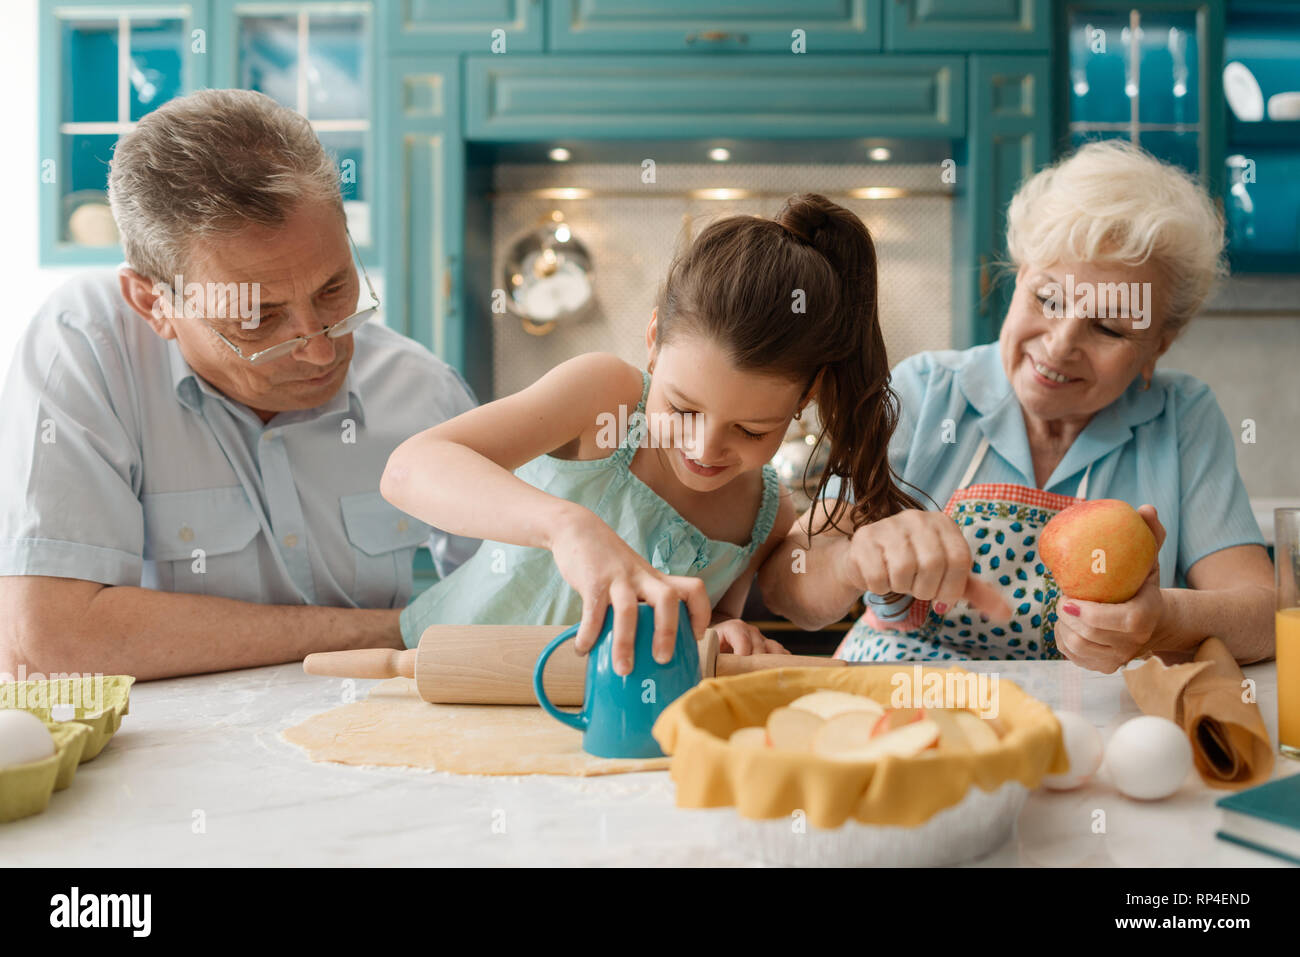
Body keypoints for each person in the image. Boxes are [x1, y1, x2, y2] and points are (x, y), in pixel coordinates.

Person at [0, 90, 477, 681]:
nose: (322, 348)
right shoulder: (88, 344)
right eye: (256, 318)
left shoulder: (422, 390)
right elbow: (49, 643)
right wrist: (398, 627)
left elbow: (519, 595)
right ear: (154, 303)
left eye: (334, 289)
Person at [758, 140, 1274, 672]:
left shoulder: (1181, 418)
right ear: (1020, 276)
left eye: (1109, 326)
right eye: (1048, 299)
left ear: (1158, 347)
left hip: (1088, 731)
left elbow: (1265, 616)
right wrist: (848, 561)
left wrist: (1163, 620)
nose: (1059, 344)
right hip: (905, 708)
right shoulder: (923, 392)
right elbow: (784, 584)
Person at [383, 194, 921, 675]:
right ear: (653, 342)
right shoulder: (604, 398)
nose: (704, 448)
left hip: (573, 734)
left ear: (805, 400)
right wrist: (567, 527)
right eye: (682, 408)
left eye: (751, 429)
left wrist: (722, 638)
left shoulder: (764, 517)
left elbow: (701, 632)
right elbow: (410, 468)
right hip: (438, 678)